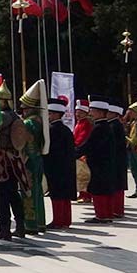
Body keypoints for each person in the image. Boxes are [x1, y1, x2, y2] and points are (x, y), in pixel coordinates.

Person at [0, 85, 28, 240]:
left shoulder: (4, 116)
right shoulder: (14, 115)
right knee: (13, 194)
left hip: (4, 161)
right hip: (12, 160)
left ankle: (5, 228)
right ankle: (20, 225)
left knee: (4, 196)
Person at [76, 97, 116, 223]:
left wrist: (74, 154)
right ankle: (108, 214)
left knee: (98, 189)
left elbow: (89, 145)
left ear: (100, 112)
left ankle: (101, 215)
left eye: (92, 110)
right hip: (106, 162)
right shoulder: (106, 126)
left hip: (98, 163)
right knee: (106, 189)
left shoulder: (99, 127)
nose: (90, 113)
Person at [19, 81, 50, 234]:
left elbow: (21, 143)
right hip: (37, 158)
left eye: (24, 108)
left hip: (28, 161)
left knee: (28, 192)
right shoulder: (40, 121)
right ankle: (40, 222)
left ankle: (30, 224)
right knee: (37, 191)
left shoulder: (27, 123)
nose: (23, 111)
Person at [44, 98, 77, 229]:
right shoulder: (66, 129)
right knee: (65, 195)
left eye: (50, 113)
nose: (48, 116)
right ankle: (66, 220)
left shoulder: (52, 129)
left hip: (55, 166)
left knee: (57, 194)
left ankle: (58, 220)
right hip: (66, 166)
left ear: (57, 114)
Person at [107, 99, 129, 218]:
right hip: (118, 159)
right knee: (117, 185)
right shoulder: (115, 124)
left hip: (116, 159)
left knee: (116, 185)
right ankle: (117, 209)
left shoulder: (114, 126)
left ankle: (116, 210)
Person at [73, 100, 93, 203]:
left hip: (82, 152)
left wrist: (75, 145)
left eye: (80, 112)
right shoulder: (79, 123)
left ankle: (87, 196)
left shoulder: (86, 123)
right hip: (78, 150)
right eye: (77, 112)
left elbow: (83, 137)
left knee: (84, 175)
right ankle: (81, 194)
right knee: (79, 175)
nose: (78, 114)